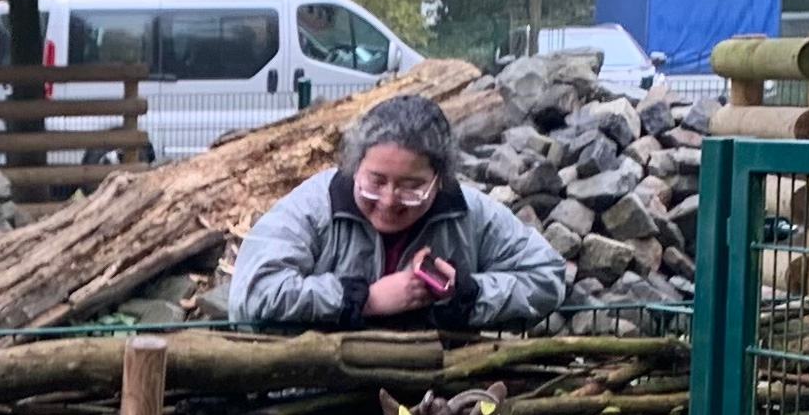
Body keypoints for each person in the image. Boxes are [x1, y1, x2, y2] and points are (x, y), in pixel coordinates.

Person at [228, 92, 569, 330]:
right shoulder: (313, 207)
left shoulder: (471, 213)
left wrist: (466, 293)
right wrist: (364, 299)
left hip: (433, 396)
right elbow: (251, 295)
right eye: (376, 181)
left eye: (411, 186)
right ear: (355, 166)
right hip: (315, 393)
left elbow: (547, 277)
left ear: (440, 179)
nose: (389, 200)